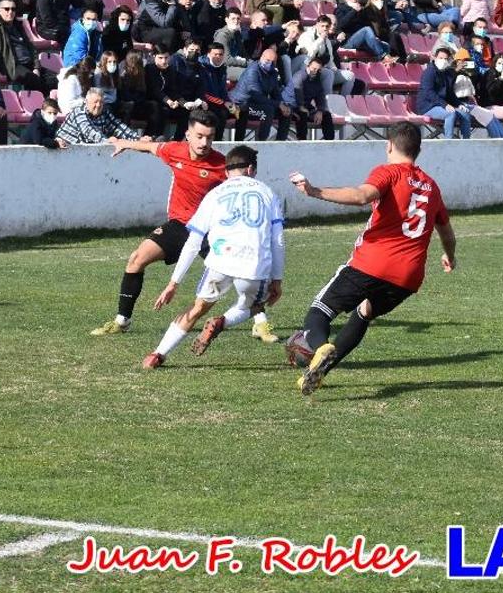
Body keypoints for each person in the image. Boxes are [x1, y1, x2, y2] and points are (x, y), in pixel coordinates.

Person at [288, 122, 457, 396]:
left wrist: (315, 191)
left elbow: (361, 196)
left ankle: (319, 347)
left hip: (373, 263)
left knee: (319, 312)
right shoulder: (431, 186)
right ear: (419, 150)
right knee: (363, 312)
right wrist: (450, 257)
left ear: (389, 145)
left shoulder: (389, 172)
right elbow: (447, 233)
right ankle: (317, 373)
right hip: (408, 277)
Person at [92, 110, 273, 344]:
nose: (204, 142)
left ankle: (260, 324)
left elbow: (244, 188)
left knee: (243, 273)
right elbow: (150, 148)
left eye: (209, 137)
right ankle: (121, 321)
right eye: (199, 136)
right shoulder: (173, 150)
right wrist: (124, 143)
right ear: (188, 134)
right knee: (137, 259)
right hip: (180, 225)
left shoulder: (222, 165)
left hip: (211, 231)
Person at [143, 145, 285, 369]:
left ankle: (157, 354)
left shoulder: (214, 195)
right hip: (253, 265)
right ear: (250, 169)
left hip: (219, 262)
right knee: (253, 305)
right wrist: (276, 279)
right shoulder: (268, 193)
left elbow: (193, 242)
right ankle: (221, 321)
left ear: (226, 172)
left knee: (197, 309)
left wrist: (173, 283)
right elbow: (277, 241)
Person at [0, 0, 54, 94]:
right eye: (6, 9)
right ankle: (46, 106)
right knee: (37, 82)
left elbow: (31, 47)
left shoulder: (18, 25)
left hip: (29, 64)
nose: (10, 12)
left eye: (13, 9)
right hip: (13, 66)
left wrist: (36, 67)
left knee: (56, 79)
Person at [230, 45, 288, 141]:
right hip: (242, 104)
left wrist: (283, 104)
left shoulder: (273, 73)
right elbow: (257, 96)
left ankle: (280, 143)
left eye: (273, 62)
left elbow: (276, 93)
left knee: (287, 112)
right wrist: (278, 104)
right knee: (268, 111)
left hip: (258, 104)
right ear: (261, 57)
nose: (269, 63)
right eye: (267, 60)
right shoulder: (253, 71)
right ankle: (262, 142)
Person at [415, 46, 471, 139]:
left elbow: (449, 93)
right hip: (428, 106)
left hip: (441, 105)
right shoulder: (429, 72)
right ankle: (448, 142)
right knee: (450, 114)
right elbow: (429, 92)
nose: (443, 60)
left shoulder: (446, 73)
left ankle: (466, 141)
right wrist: (445, 105)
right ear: (435, 58)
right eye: (441, 58)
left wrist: (459, 104)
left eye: (445, 59)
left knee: (465, 113)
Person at [56, 87, 142, 146]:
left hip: (84, 151)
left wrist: (138, 139)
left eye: (101, 102)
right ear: (86, 101)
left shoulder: (104, 112)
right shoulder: (78, 112)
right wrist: (106, 141)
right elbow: (88, 131)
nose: (98, 105)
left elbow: (118, 126)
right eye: (95, 102)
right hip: (65, 149)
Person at [281, 58, 335, 140]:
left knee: (326, 115)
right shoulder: (299, 76)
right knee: (302, 114)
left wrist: (320, 110)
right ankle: (302, 142)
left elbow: (320, 96)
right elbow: (297, 92)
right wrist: (301, 107)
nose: (315, 71)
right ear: (307, 66)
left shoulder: (317, 80)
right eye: (314, 68)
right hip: (290, 105)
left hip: (305, 106)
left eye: (318, 70)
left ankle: (330, 144)